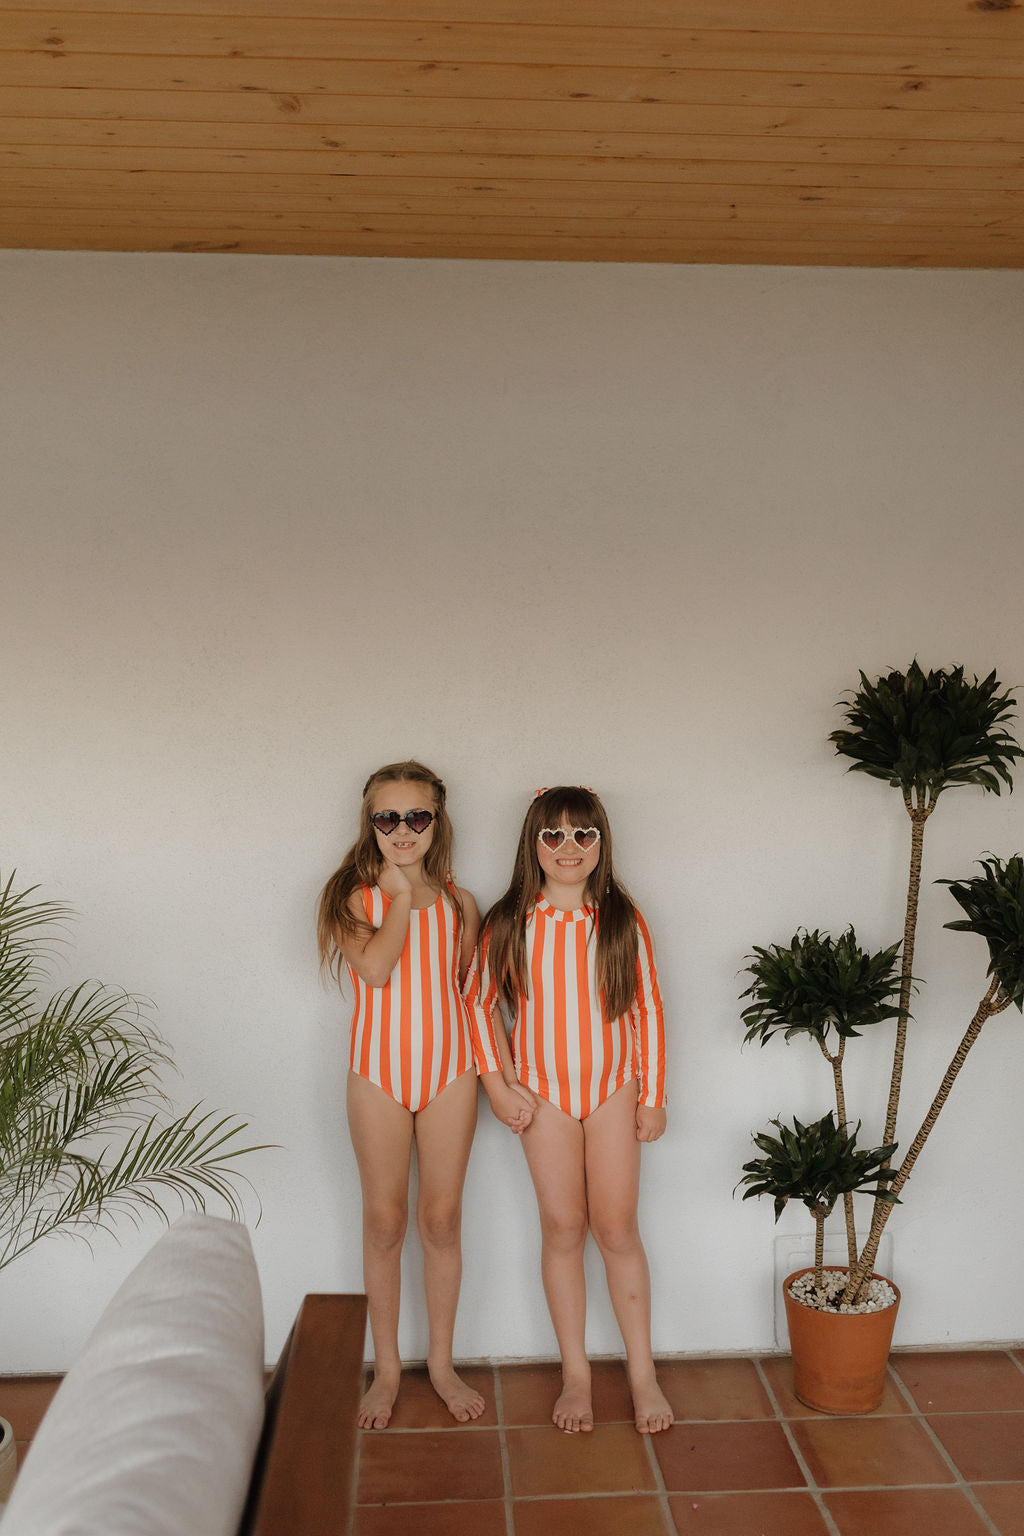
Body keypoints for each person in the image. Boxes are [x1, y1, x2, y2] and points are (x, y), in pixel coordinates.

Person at [465, 785, 673, 1435]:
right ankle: (576, 1374)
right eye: (552, 835)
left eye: (583, 834)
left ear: (601, 843)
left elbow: (648, 1008)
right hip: (544, 1095)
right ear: (532, 844)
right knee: (562, 1227)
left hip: (613, 1090)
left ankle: (642, 1373)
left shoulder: (621, 919)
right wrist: (499, 1086)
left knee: (617, 1229)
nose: (568, 847)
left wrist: (652, 1096)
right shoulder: (509, 921)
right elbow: (478, 1004)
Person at [318, 760, 513, 1429]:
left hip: (450, 1073)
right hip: (377, 1074)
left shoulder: (462, 905)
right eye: (388, 818)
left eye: (417, 816)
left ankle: (441, 1364)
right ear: (370, 823)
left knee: (442, 1221)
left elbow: (474, 998)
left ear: (437, 820)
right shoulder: (352, 896)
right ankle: (388, 1369)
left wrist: (502, 1079)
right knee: (384, 1223)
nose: (403, 830)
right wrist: (398, 896)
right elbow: (375, 971)